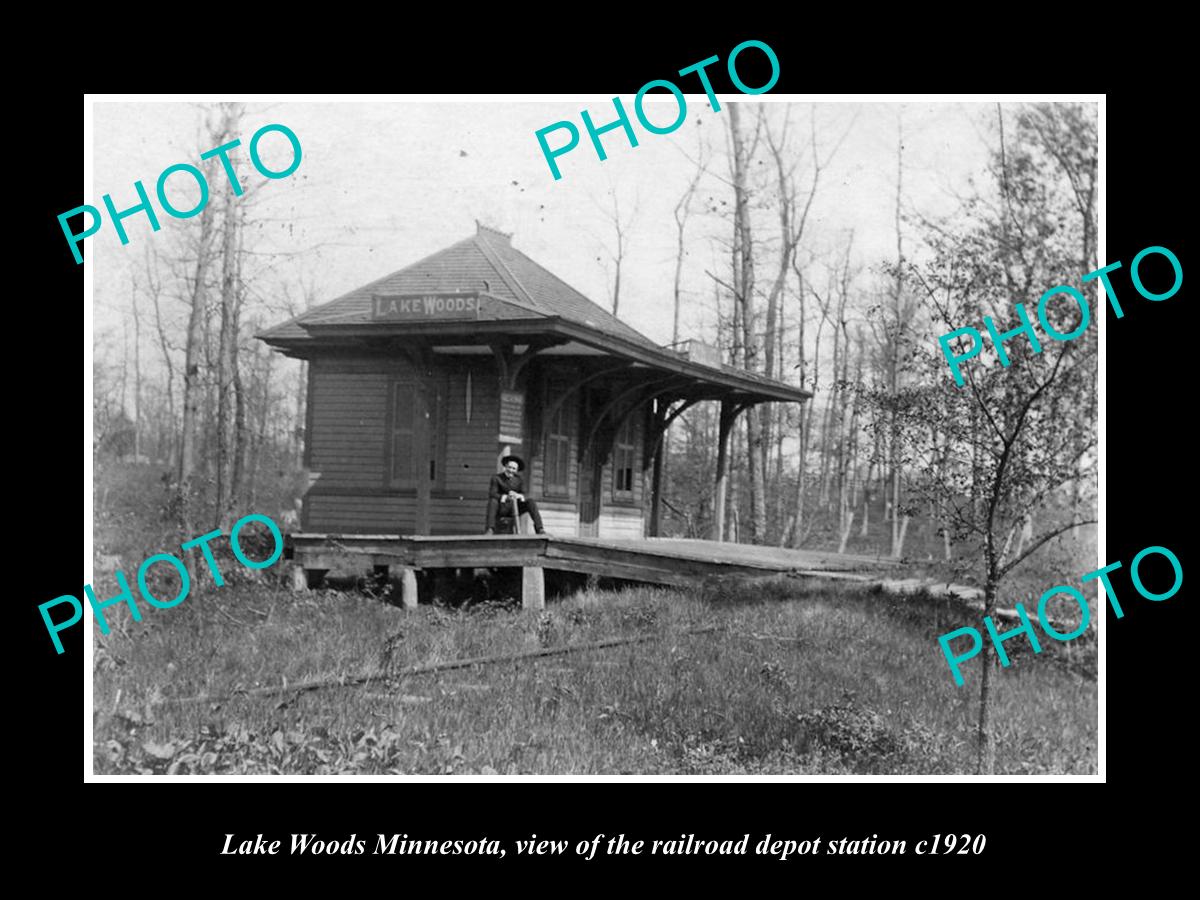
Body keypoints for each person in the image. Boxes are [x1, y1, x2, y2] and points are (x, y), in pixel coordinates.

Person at [484, 455, 547, 535]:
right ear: (505, 467)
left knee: (531, 502)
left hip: (515, 508)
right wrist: (505, 497)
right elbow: (492, 493)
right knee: (493, 501)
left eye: (513, 469)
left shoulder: (519, 480)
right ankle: (490, 529)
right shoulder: (496, 478)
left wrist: (518, 495)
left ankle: (539, 529)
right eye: (509, 467)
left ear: (516, 470)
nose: (511, 470)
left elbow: (524, 493)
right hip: (501, 508)